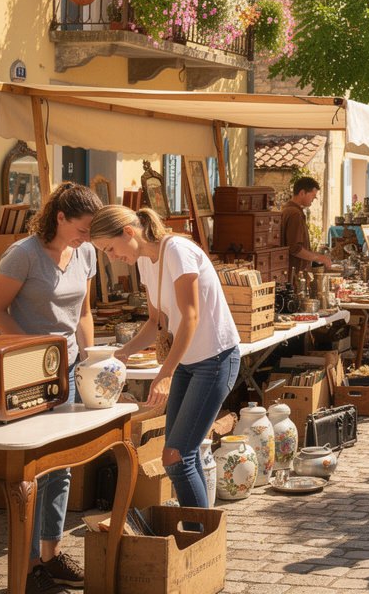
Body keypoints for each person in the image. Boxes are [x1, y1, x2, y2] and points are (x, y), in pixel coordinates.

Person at [91, 205, 240, 526]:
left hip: (215, 360)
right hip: (188, 363)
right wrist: (124, 352)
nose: (111, 257)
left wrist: (165, 374)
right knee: (180, 457)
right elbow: (157, 321)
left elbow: (190, 316)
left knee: (175, 457)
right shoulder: (145, 260)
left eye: (110, 249)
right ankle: (199, 539)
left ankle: (198, 537)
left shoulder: (177, 250)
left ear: (128, 233)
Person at [0, 182, 102, 592]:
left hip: (69, 370)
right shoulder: (23, 254)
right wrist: (33, 353)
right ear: (60, 217)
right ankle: (29, 562)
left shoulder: (85, 253)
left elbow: (84, 312)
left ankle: (52, 556)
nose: (88, 238)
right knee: (35, 469)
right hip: (28, 373)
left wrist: (90, 358)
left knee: (63, 467)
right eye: (83, 229)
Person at [281, 176, 334, 275]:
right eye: (312, 194)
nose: (315, 197)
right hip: (295, 273)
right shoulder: (294, 213)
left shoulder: (290, 210)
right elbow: (294, 248)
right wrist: (320, 258)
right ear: (302, 193)